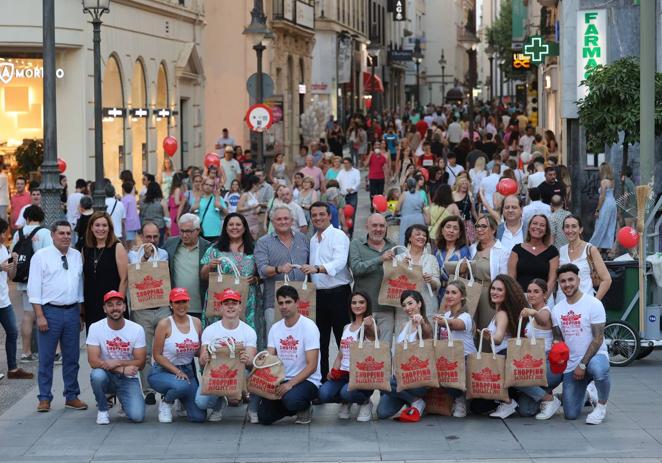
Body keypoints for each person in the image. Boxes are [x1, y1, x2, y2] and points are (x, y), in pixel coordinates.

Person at [27, 221, 87, 413]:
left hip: (71, 311)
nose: (66, 236)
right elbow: (34, 288)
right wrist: (40, 316)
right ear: (53, 235)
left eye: (68, 233)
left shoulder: (77, 255)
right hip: (49, 311)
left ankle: (72, 395)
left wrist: (79, 313)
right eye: (61, 233)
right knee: (46, 358)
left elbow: (79, 287)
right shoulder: (41, 257)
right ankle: (44, 398)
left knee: (72, 357)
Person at [551, 264, 611, 424]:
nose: (567, 284)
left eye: (571, 279)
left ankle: (601, 405)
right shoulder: (557, 310)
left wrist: (582, 365)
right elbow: (558, 340)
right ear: (559, 283)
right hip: (572, 364)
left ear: (578, 280)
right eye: (563, 281)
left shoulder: (593, 304)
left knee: (598, 370)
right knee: (570, 413)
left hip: (594, 357)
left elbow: (598, 339)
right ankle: (587, 393)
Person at [302, 202, 352, 380]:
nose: (318, 218)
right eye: (314, 215)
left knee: (343, 340)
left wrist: (317, 268)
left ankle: (347, 381)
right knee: (320, 341)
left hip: (338, 293)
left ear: (329, 216)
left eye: (321, 214)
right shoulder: (313, 239)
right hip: (318, 296)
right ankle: (321, 380)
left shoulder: (338, 235)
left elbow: (340, 263)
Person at [258, 285, 321, 425]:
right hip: (281, 379)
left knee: (291, 400)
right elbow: (270, 358)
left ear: (297, 303)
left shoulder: (309, 327)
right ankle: (288, 404)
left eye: (288, 302)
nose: (284, 306)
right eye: (280, 303)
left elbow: (312, 366)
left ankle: (304, 407)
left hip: (308, 381)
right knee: (264, 417)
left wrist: (290, 384)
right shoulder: (275, 328)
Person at [195, 288, 258, 422]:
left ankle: (253, 409)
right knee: (201, 402)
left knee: (256, 374)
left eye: (234, 303)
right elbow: (201, 361)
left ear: (240, 307)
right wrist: (204, 358)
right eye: (226, 303)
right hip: (217, 375)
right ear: (220, 307)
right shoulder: (210, 330)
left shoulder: (249, 331)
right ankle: (219, 404)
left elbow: (252, 363)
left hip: (240, 374)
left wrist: (247, 360)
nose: (230, 306)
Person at [87, 290, 146, 424]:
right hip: (107, 375)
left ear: (124, 307)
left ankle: (123, 398)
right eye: (110, 305)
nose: (115, 308)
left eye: (119, 304)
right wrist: (121, 369)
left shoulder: (136, 329)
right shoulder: (95, 327)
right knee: (97, 375)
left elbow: (141, 363)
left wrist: (117, 362)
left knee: (137, 416)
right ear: (104, 309)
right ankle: (102, 410)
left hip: (128, 378)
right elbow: (92, 361)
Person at [127, 222, 170, 404]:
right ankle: (148, 390)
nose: (151, 240)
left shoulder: (163, 254)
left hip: (162, 306)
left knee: (166, 349)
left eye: (155, 237)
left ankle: (167, 385)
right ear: (141, 237)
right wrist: (144, 258)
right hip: (141, 309)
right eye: (148, 237)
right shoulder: (132, 255)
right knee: (144, 350)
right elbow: (136, 274)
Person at [148, 287, 205, 423]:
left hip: (187, 370)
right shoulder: (164, 324)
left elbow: (198, 350)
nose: (181, 305)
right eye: (177, 302)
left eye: (184, 301)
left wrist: (207, 354)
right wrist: (176, 371)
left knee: (199, 417)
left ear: (189, 303)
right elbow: (157, 355)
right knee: (182, 386)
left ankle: (181, 398)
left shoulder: (196, 322)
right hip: (163, 370)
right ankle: (166, 402)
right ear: (171, 304)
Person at [318, 291, 376, 421]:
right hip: (343, 374)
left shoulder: (370, 325)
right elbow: (340, 354)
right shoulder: (346, 327)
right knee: (323, 393)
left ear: (367, 305)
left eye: (361, 302)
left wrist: (368, 327)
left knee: (346, 392)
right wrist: (333, 370)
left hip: (361, 376)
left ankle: (365, 402)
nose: (357, 305)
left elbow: (373, 337)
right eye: (354, 302)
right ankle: (346, 401)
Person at [377, 290, 433, 422]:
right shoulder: (405, 326)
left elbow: (427, 335)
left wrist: (422, 323)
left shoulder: (425, 324)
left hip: (418, 379)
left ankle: (416, 401)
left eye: (410, 303)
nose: (407, 308)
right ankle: (412, 400)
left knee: (380, 379)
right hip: (401, 380)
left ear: (419, 304)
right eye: (404, 305)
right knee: (382, 413)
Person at [255, 206, 309, 334]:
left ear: (292, 220)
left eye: (286, 218)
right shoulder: (263, 242)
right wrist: (279, 269)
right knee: (276, 341)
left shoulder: (303, 239)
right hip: (275, 302)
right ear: (272, 222)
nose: (283, 221)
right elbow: (262, 270)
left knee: (301, 340)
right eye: (278, 219)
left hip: (303, 300)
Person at [200, 213, 260, 331]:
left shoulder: (255, 248)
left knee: (245, 334)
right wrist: (209, 266)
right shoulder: (215, 249)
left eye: (238, 224)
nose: (234, 227)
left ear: (244, 228)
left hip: (246, 299)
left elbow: (262, 274)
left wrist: (256, 279)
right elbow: (203, 276)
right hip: (221, 299)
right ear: (225, 228)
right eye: (231, 224)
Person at [514, 279, 563, 419]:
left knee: (514, 376)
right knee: (526, 411)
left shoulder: (545, 311)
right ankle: (550, 396)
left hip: (547, 364)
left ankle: (549, 400)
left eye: (536, 291)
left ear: (545, 295)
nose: (531, 294)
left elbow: (542, 319)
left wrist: (533, 313)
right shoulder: (531, 313)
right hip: (534, 363)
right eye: (529, 291)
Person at [348, 213, 397, 343]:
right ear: (367, 227)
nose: (378, 229)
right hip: (362, 308)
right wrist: (380, 259)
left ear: (386, 228)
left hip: (386, 308)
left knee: (385, 350)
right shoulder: (356, 244)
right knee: (362, 350)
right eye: (374, 225)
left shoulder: (394, 247)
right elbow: (356, 269)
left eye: (382, 226)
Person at [12, 206, 52, 364]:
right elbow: (50, 256)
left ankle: (26, 352)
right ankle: (52, 352)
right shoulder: (45, 233)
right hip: (42, 281)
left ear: (26, 217)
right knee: (46, 315)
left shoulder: (18, 233)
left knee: (28, 316)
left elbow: (13, 255)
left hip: (24, 279)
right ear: (41, 218)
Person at [431, 280, 476, 418]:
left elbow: (457, 324)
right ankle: (455, 398)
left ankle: (460, 399)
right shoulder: (445, 316)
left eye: (454, 293)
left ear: (462, 297)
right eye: (447, 292)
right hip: (450, 357)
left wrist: (443, 321)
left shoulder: (466, 316)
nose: (449, 295)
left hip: (465, 359)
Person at [82, 212, 129, 330]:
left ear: (109, 228)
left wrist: (118, 304)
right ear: (91, 228)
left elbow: (124, 279)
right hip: (91, 304)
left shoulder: (117, 247)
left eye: (104, 225)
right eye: (97, 225)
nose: (101, 229)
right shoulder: (85, 249)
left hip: (112, 304)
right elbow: (83, 278)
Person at [0, 217, 32, 380]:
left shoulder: (3, 249)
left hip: (4, 300)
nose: (5, 236)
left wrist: (14, 265)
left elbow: (10, 276)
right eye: (3, 233)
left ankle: (12, 369)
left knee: (12, 332)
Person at [164, 214, 211, 320]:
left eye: (188, 231)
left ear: (197, 230)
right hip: (176, 306)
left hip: (200, 307)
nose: (184, 235)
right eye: (181, 231)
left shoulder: (208, 248)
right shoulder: (171, 244)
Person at [558, 215, 612, 302]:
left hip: (584, 304)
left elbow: (607, 280)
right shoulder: (561, 250)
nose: (570, 230)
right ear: (563, 230)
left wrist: (594, 303)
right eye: (567, 227)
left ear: (581, 229)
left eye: (574, 226)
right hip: (562, 304)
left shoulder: (590, 250)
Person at [469, 215, 509, 329]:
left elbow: (503, 279)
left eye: (483, 226)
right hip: (471, 292)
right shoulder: (472, 248)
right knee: (471, 327)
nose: (479, 229)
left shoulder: (502, 251)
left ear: (493, 229)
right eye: (477, 226)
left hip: (490, 294)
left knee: (487, 328)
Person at [508, 214, 559, 300]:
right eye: (535, 223)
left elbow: (552, 280)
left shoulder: (552, 251)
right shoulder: (517, 249)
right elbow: (511, 278)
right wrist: (517, 298)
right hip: (520, 298)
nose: (538, 227)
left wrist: (544, 298)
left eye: (542, 225)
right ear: (529, 227)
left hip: (543, 299)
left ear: (546, 230)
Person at [397, 224, 441, 318]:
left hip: (427, 305)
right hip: (404, 310)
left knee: (427, 331)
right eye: (418, 234)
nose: (422, 237)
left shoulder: (431, 259)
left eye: (424, 235)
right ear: (409, 238)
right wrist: (401, 267)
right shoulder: (399, 258)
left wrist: (431, 281)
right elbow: (392, 281)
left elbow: (437, 284)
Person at [435, 216, 472, 302]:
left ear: (459, 234)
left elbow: (466, 274)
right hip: (440, 293)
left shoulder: (463, 251)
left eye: (455, 228)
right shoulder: (438, 251)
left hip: (457, 294)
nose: (451, 231)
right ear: (442, 231)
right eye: (448, 227)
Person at [589, 163, 617, 255]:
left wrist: (597, 210)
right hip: (612, 203)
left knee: (600, 224)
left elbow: (602, 197)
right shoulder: (612, 181)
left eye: (600, 170)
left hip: (606, 204)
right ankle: (607, 247)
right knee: (610, 225)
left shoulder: (603, 181)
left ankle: (593, 245)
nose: (599, 171)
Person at [192, 177, 227, 242]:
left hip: (216, 232)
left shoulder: (218, 199)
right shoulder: (197, 199)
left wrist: (221, 207)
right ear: (203, 185)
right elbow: (191, 215)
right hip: (201, 232)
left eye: (211, 185)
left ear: (213, 187)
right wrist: (192, 210)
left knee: (214, 252)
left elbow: (226, 214)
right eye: (206, 184)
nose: (208, 187)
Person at [396, 178, 428, 247]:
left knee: (405, 239)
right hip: (419, 219)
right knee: (419, 238)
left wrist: (394, 213)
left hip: (407, 220)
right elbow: (424, 207)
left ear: (407, 185)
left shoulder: (404, 194)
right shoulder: (420, 194)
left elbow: (397, 208)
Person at [335, 157, 361, 235]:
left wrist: (352, 188)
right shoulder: (341, 172)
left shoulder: (356, 172)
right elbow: (337, 181)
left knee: (351, 213)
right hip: (343, 196)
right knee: (342, 213)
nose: (345, 165)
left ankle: (350, 232)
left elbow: (358, 182)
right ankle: (343, 230)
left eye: (346, 163)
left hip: (352, 195)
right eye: (344, 163)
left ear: (350, 164)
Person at [139, 182, 168, 246]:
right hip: (159, 227)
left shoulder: (142, 202)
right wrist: (168, 229)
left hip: (145, 227)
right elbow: (167, 218)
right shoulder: (162, 201)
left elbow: (141, 215)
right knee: (159, 246)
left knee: (146, 246)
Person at [452, 174, 478, 243]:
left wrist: (478, 221)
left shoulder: (469, 195)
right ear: (459, 184)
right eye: (463, 183)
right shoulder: (453, 194)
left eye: (466, 184)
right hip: (456, 223)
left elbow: (473, 211)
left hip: (467, 223)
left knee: (470, 242)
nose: (464, 185)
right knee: (456, 242)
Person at [364, 143, 389, 209]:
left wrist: (387, 179)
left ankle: (379, 206)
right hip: (372, 177)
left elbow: (386, 168)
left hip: (381, 177)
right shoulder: (371, 156)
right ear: (373, 147)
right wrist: (370, 154)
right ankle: (373, 205)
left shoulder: (383, 157)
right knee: (373, 193)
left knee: (380, 194)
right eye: (375, 145)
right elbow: (365, 164)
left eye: (378, 145)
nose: (377, 147)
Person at [121, 181, 141, 249]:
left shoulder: (124, 199)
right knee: (132, 242)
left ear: (123, 189)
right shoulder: (133, 198)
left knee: (128, 244)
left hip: (128, 224)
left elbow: (123, 212)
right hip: (134, 223)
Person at [167, 172, 186, 238]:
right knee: (176, 229)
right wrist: (184, 201)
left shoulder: (174, 189)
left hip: (174, 211)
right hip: (176, 211)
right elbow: (177, 202)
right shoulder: (177, 189)